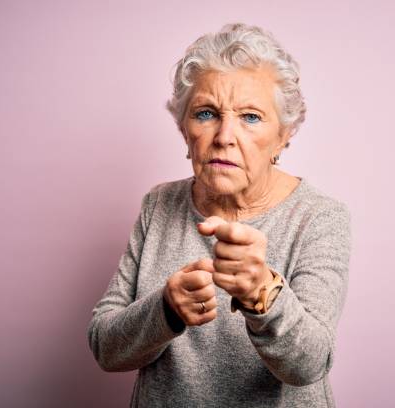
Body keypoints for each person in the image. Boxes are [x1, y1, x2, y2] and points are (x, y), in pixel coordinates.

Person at [87, 22, 352, 408]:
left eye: (251, 117)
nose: (225, 135)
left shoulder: (319, 217)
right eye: (207, 113)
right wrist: (165, 309)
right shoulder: (159, 205)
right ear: (184, 131)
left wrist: (263, 293)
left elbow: (310, 365)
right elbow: (105, 347)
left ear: (284, 136)